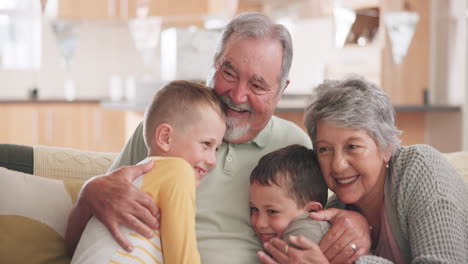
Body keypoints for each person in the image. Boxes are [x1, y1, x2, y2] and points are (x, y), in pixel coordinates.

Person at [65, 12, 371, 264]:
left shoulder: (297, 145)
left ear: (280, 90)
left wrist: (357, 223)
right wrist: (87, 196)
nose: (237, 95)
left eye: (258, 85)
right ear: (213, 64)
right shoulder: (169, 128)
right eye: (229, 72)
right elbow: (87, 236)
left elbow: (325, 214)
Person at [260, 75, 468, 263]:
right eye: (325, 149)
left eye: (352, 147)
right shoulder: (334, 210)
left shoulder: (419, 170)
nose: (338, 165)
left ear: (386, 147)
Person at [71, 80, 226, 264]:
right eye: (206, 144)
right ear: (165, 137)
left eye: (216, 149)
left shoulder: (135, 179)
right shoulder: (178, 171)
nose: (212, 161)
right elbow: (183, 260)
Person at [249, 144, 330, 254]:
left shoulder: (308, 229)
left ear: (312, 211)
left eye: (272, 211)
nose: (259, 223)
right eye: (254, 209)